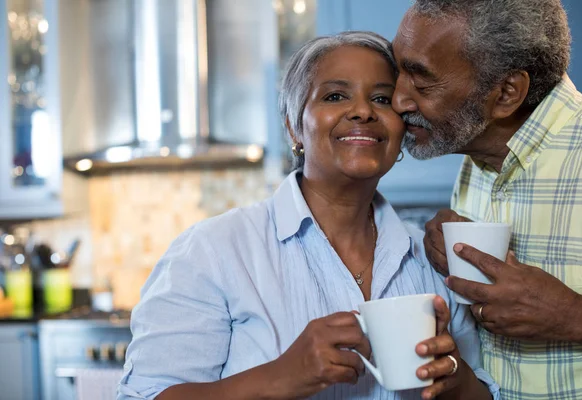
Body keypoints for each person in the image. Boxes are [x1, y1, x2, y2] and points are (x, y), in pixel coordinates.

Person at [117, 32, 498, 400]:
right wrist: (279, 377)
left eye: (383, 99)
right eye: (335, 95)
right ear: (293, 125)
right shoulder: (212, 251)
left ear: (401, 133)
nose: (363, 111)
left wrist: (455, 379)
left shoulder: (432, 259)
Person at [391, 0, 582, 398]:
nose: (399, 100)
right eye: (397, 70)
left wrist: (574, 316)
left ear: (506, 94)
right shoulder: (479, 154)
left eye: (420, 81)